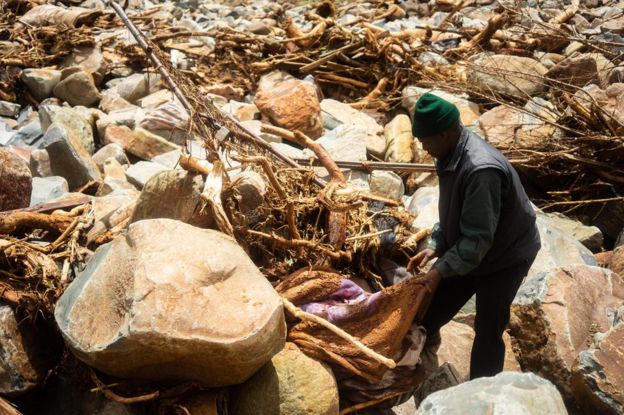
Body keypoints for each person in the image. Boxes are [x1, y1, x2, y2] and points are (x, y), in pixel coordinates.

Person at [408, 92, 541, 379]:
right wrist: (436, 244)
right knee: (428, 314)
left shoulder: (481, 169)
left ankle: (483, 393)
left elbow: (477, 240)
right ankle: (419, 376)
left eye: (426, 141)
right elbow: (457, 215)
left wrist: (439, 271)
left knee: (488, 329)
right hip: (475, 246)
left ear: (444, 133)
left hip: (507, 255)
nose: (423, 147)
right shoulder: (449, 152)